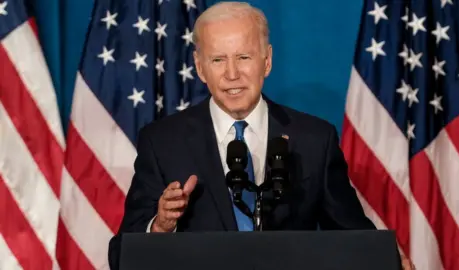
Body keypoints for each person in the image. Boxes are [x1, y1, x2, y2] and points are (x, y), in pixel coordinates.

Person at [108, 2, 414, 269]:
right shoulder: (162, 142)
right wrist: (160, 227)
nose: (231, 74)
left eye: (243, 57)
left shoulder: (314, 140)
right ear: (200, 68)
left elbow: (352, 236)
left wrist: (387, 261)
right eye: (218, 60)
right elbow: (121, 255)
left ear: (266, 61)